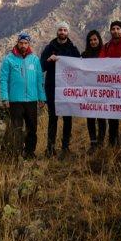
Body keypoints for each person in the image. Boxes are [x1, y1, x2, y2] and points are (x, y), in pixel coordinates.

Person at [0, 32, 46, 159]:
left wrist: (42, 98)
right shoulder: (8, 59)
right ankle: (17, 153)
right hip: (15, 101)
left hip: (31, 100)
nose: (23, 45)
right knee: (17, 129)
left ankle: (30, 152)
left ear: (29, 44)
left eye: (26, 43)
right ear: (17, 43)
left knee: (32, 128)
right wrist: (5, 97)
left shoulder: (35, 60)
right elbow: (3, 79)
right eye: (21, 43)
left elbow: (39, 79)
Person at [40, 21, 81, 158]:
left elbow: (79, 66)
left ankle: (65, 147)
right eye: (60, 30)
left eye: (64, 30)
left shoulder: (73, 49)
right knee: (53, 118)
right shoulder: (49, 48)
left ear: (68, 32)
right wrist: (48, 60)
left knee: (67, 118)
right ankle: (50, 148)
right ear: (57, 32)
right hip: (52, 87)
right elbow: (41, 67)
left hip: (68, 88)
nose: (62, 32)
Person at [99, 21, 121, 145]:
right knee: (112, 114)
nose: (115, 31)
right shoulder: (106, 46)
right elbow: (101, 61)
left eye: (118, 28)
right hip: (111, 86)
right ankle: (113, 142)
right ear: (110, 31)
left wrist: (111, 62)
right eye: (113, 28)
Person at [81, 30, 107, 150]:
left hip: (102, 91)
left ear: (99, 40)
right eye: (90, 40)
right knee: (90, 116)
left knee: (101, 116)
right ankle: (93, 142)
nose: (93, 42)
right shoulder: (84, 55)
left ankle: (101, 142)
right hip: (89, 91)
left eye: (95, 39)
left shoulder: (105, 53)